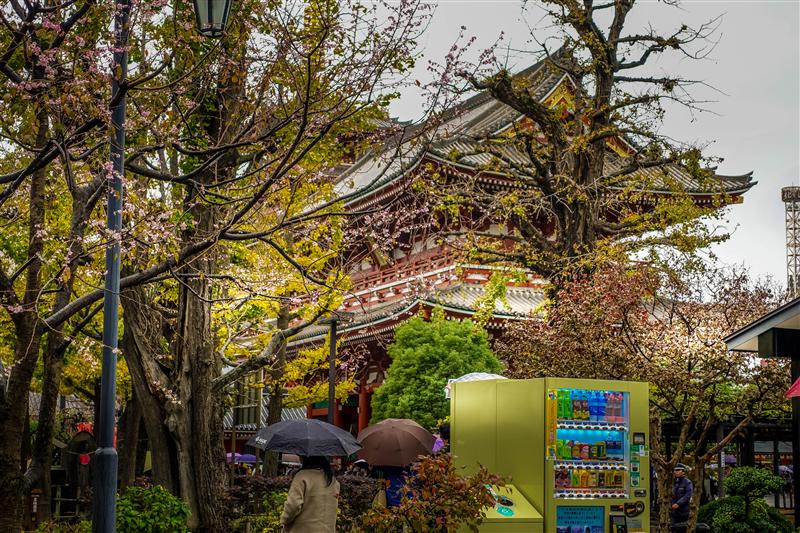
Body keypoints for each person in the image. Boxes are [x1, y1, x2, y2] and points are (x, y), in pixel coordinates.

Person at [280, 456, 340, 532]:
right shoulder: (332, 480)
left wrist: (284, 520)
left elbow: (293, 505)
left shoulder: (302, 476)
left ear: (307, 458)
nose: (300, 458)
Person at [671, 463, 694, 529]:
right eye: (675, 470)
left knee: (683, 528)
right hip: (674, 512)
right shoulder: (675, 482)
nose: (676, 472)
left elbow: (688, 495)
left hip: (684, 511)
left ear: (683, 472)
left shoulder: (687, 482)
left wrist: (678, 503)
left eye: (678, 470)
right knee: (674, 528)